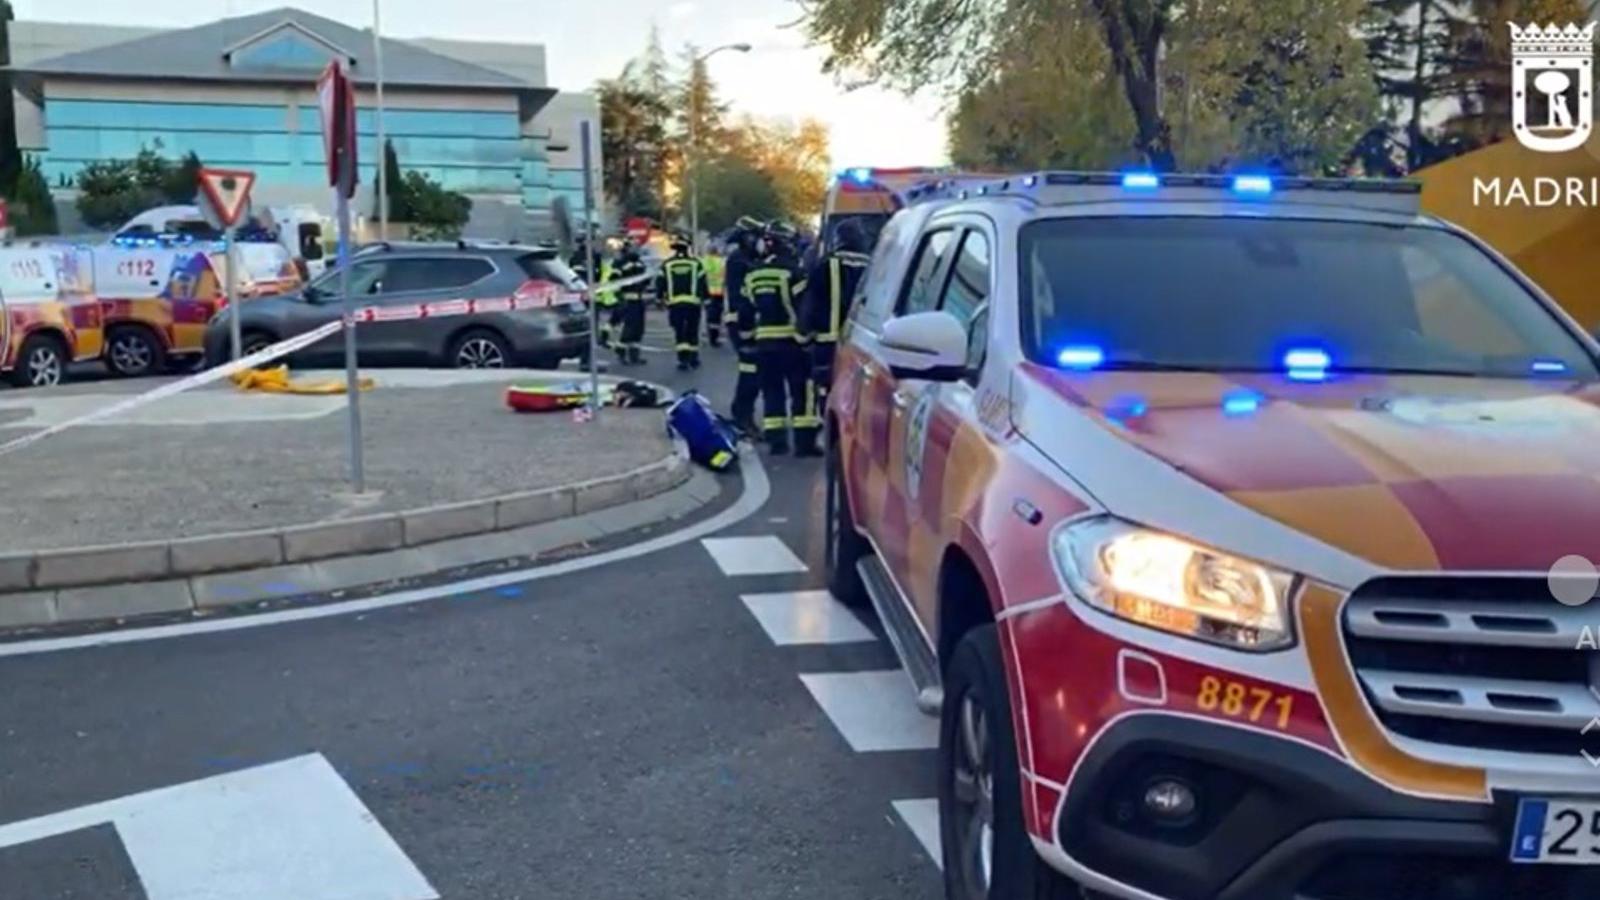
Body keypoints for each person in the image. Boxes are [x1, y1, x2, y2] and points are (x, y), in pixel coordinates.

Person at [738, 222, 819, 457]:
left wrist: (747, 338)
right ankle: (804, 444)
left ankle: (777, 441)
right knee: (801, 392)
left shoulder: (753, 274)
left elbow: (745, 311)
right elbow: (805, 309)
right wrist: (806, 338)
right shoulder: (794, 273)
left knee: (772, 392)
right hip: (792, 343)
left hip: (764, 344)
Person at [802, 218, 872, 395]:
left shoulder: (826, 264)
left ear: (838, 239)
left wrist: (805, 334)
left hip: (827, 342)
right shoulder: (873, 265)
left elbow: (811, 301)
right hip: (862, 344)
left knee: (826, 388)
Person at [724, 216, 764, 435]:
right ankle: (742, 417)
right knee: (750, 371)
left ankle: (743, 415)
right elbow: (743, 297)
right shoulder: (740, 260)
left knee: (754, 373)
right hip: (741, 322)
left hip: (747, 321)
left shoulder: (747, 258)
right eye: (757, 237)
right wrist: (746, 330)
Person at [658, 236, 708, 370]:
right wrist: (706, 298)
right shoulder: (696, 264)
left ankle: (683, 359)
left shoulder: (667, 264)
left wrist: (659, 298)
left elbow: (660, 283)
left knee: (679, 331)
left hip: (675, 304)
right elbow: (702, 282)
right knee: (692, 330)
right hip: (693, 303)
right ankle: (694, 359)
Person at [613, 240, 650, 366]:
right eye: (632, 248)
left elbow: (646, 279)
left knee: (639, 328)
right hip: (628, 300)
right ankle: (621, 352)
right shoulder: (621, 263)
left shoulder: (639, 263)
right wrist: (619, 294)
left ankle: (634, 355)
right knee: (629, 328)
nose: (635, 250)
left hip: (639, 299)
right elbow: (614, 279)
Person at [701, 244, 726, 347]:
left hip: (706, 292)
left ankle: (708, 334)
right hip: (719, 293)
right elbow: (725, 277)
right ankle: (714, 337)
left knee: (708, 314)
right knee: (716, 316)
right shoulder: (721, 262)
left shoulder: (702, 262)